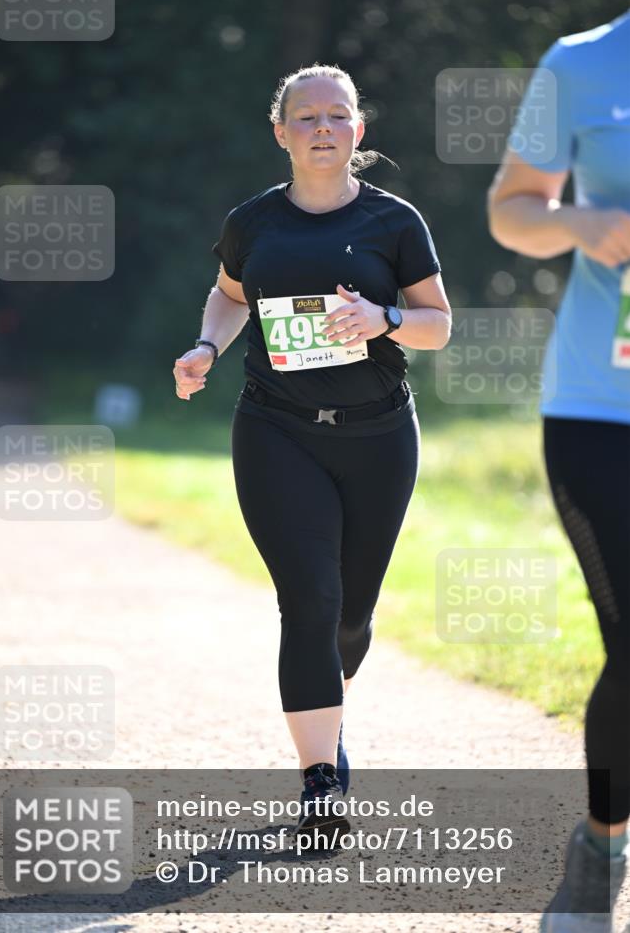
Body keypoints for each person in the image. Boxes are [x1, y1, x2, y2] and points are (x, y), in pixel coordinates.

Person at [173, 63, 451, 840]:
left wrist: (384, 317)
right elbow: (229, 296)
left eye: (337, 116)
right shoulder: (253, 222)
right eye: (307, 117)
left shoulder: (396, 222)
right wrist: (204, 345)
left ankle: (328, 719)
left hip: (378, 436)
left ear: (358, 131)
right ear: (282, 132)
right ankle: (319, 778)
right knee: (310, 600)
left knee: (350, 618)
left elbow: (438, 324)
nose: (322, 127)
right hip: (275, 429)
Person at [487, 0, 630, 929]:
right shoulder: (576, 63)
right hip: (597, 405)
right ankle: (602, 835)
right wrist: (581, 226)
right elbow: (509, 210)